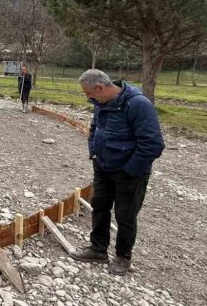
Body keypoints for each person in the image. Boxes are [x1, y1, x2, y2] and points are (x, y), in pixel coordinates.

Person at [70, 69, 164, 275]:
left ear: (100, 88)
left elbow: (153, 144)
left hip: (130, 172)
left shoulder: (138, 104)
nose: (87, 97)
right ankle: (98, 249)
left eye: (88, 93)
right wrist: (94, 153)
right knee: (100, 206)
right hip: (103, 166)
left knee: (126, 214)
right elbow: (95, 128)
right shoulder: (100, 103)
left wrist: (130, 170)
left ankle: (123, 257)